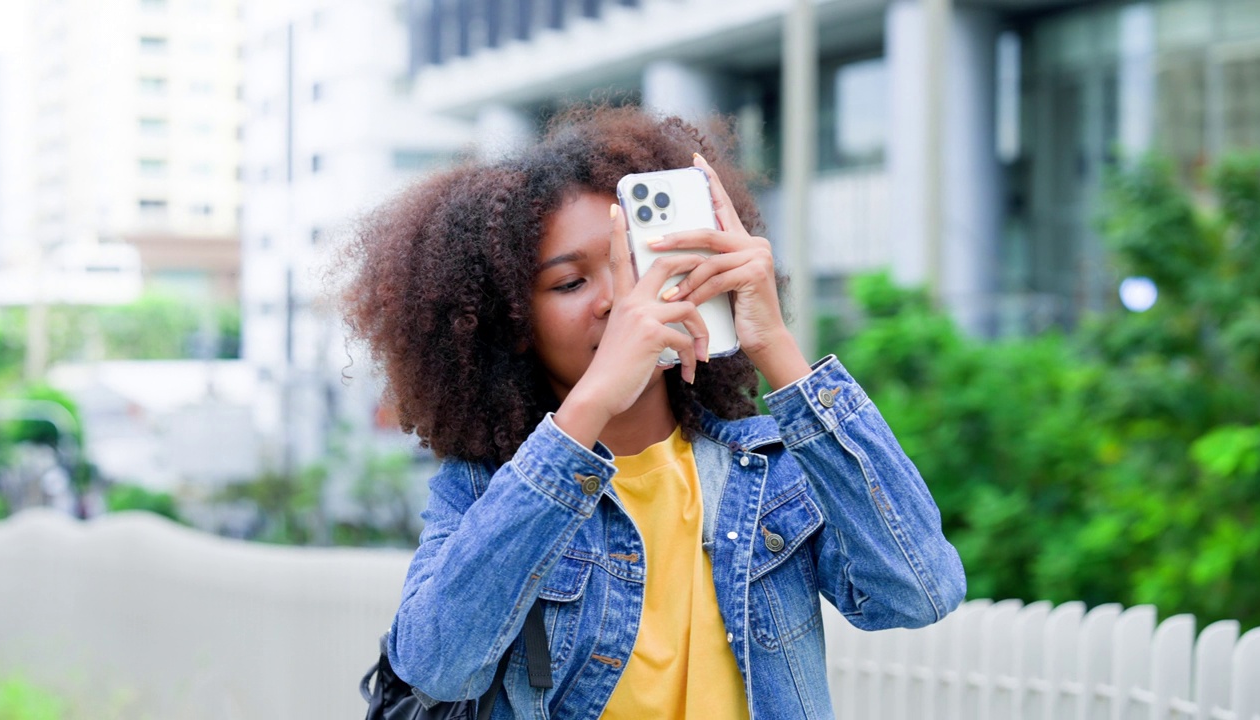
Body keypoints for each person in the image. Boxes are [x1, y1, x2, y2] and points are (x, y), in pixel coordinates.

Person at [339, 104, 966, 720]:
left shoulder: (769, 472)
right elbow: (435, 663)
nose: (620, 300)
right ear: (514, 324)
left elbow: (920, 593)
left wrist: (776, 347)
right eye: (570, 283)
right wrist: (592, 401)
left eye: (636, 265)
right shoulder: (484, 492)